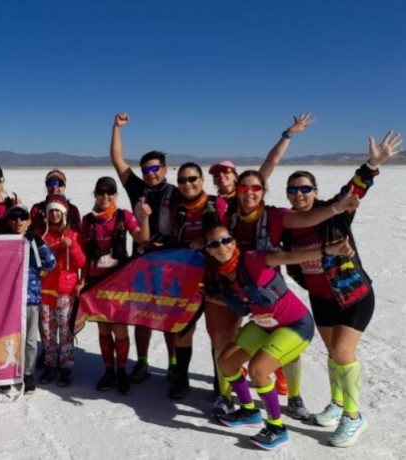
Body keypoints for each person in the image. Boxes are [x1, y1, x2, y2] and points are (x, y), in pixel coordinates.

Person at [280, 131, 401, 447]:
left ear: (315, 191)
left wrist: (372, 164)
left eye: (305, 188)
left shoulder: (336, 210)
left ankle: (352, 416)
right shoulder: (289, 225)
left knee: (344, 353)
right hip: (321, 299)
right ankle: (336, 403)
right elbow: (288, 259)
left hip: (353, 295)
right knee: (333, 354)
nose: (298, 193)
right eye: (293, 189)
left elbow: (355, 188)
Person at [203, 223, 356, 450]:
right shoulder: (222, 275)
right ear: (209, 250)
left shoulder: (253, 259)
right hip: (265, 325)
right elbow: (238, 305)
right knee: (226, 361)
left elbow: (289, 256)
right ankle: (248, 411)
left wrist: (328, 251)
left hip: (295, 325)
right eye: (214, 244)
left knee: (258, 370)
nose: (221, 246)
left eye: (225, 240)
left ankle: (276, 428)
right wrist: (204, 297)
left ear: (233, 242)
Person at [207, 112, 314, 399]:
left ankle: (293, 395)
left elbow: (271, 163)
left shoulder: (254, 197)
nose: (225, 180)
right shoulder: (223, 210)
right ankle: (228, 393)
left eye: (228, 174)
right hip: (236, 284)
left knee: (281, 338)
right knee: (234, 340)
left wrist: (287, 135)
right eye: (219, 176)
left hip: (267, 283)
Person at [109, 112, 177, 384]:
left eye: (155, 169)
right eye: (146, 170)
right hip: (143, 261)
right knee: (141, 315)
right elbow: (117, 160)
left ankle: (173, 364)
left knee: (171, 315)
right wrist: (117, 128)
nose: (150, 174)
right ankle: (144, 362)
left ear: (164, 169)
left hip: (172, 262)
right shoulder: (137, 188)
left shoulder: (177, 192)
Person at [79, 176, 150, 394]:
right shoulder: (88, 221)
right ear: (95, 195)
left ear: (116, 195)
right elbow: (84, 254)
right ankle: (108, 371)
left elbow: (142, 238)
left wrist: (145, 218)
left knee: (119, 328)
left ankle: (121, 371)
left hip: (119, 281)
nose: (105, 197)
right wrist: (83, 279)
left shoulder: (123, 216)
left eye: (110, 192)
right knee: (103, 328)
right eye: (101, 192)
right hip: (96, 281)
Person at [168, 163, 229, 400]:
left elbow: (228, 234)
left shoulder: (217, 204)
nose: (187, 184)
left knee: (217, 333)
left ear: (202, 180)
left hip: (216, 279)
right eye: (182, 180)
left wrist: (207, 240)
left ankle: (220, 383)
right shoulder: (178, 210)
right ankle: (181, 379)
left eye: (192, 179)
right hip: (186, 280)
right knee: (183, 329)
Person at [0, 205, 56, 394]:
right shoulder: (2, 243)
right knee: (7, 338)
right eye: (14, 218)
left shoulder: (34, 243)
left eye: (22, 218)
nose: (18, 222)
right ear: (8, 222)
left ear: (29, 221)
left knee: (30, 340)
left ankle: (27, 373)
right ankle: (6, 372)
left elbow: (50, 263)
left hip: (30, 298)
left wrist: (39, 243)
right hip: (8, 300)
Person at [39, 195, 87, 387]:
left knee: (65, 330)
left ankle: (66, 367)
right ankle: (50, 365)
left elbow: (82, 262)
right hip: (46, 291)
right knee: (47, 330)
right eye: (52, 211)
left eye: (58, 211)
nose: (55, 214)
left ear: (64, 213)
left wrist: (73, 246)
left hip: (65, 290)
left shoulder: (73, 235)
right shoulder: (43, 236)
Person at [30, 169, 82, 235]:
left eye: (59, 183)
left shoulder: (72, 209)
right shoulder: (37, 208)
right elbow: (29, 230)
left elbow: (79, 232)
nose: (54, 187)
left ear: (64, 187)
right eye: (50, 183)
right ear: (46, 186)